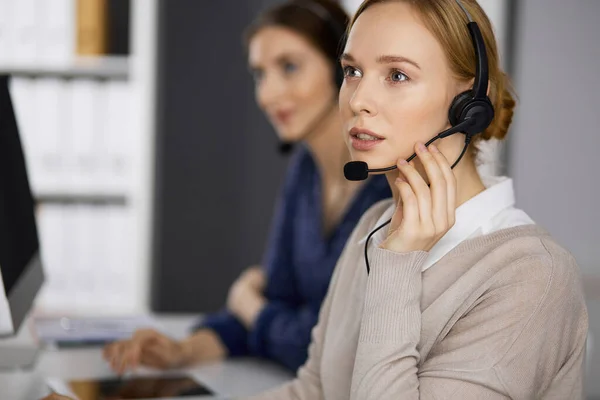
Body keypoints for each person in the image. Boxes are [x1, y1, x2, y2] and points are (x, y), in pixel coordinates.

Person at [249, 0, 588, 399]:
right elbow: (315, 390)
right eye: (352, 71)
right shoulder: (374, 225)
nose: (358, 100)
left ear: (470, 104)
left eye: (396, 75)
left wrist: (398, 264)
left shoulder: (532, 275)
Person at [103, 0, 392, 375]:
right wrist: (183, 350)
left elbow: (336, 350)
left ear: (343, 70)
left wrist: (250, 306)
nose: (268, 94)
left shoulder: (388, 186)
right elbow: (275, 304)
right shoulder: (306, 170)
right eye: (260, 74)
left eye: (289, 67)